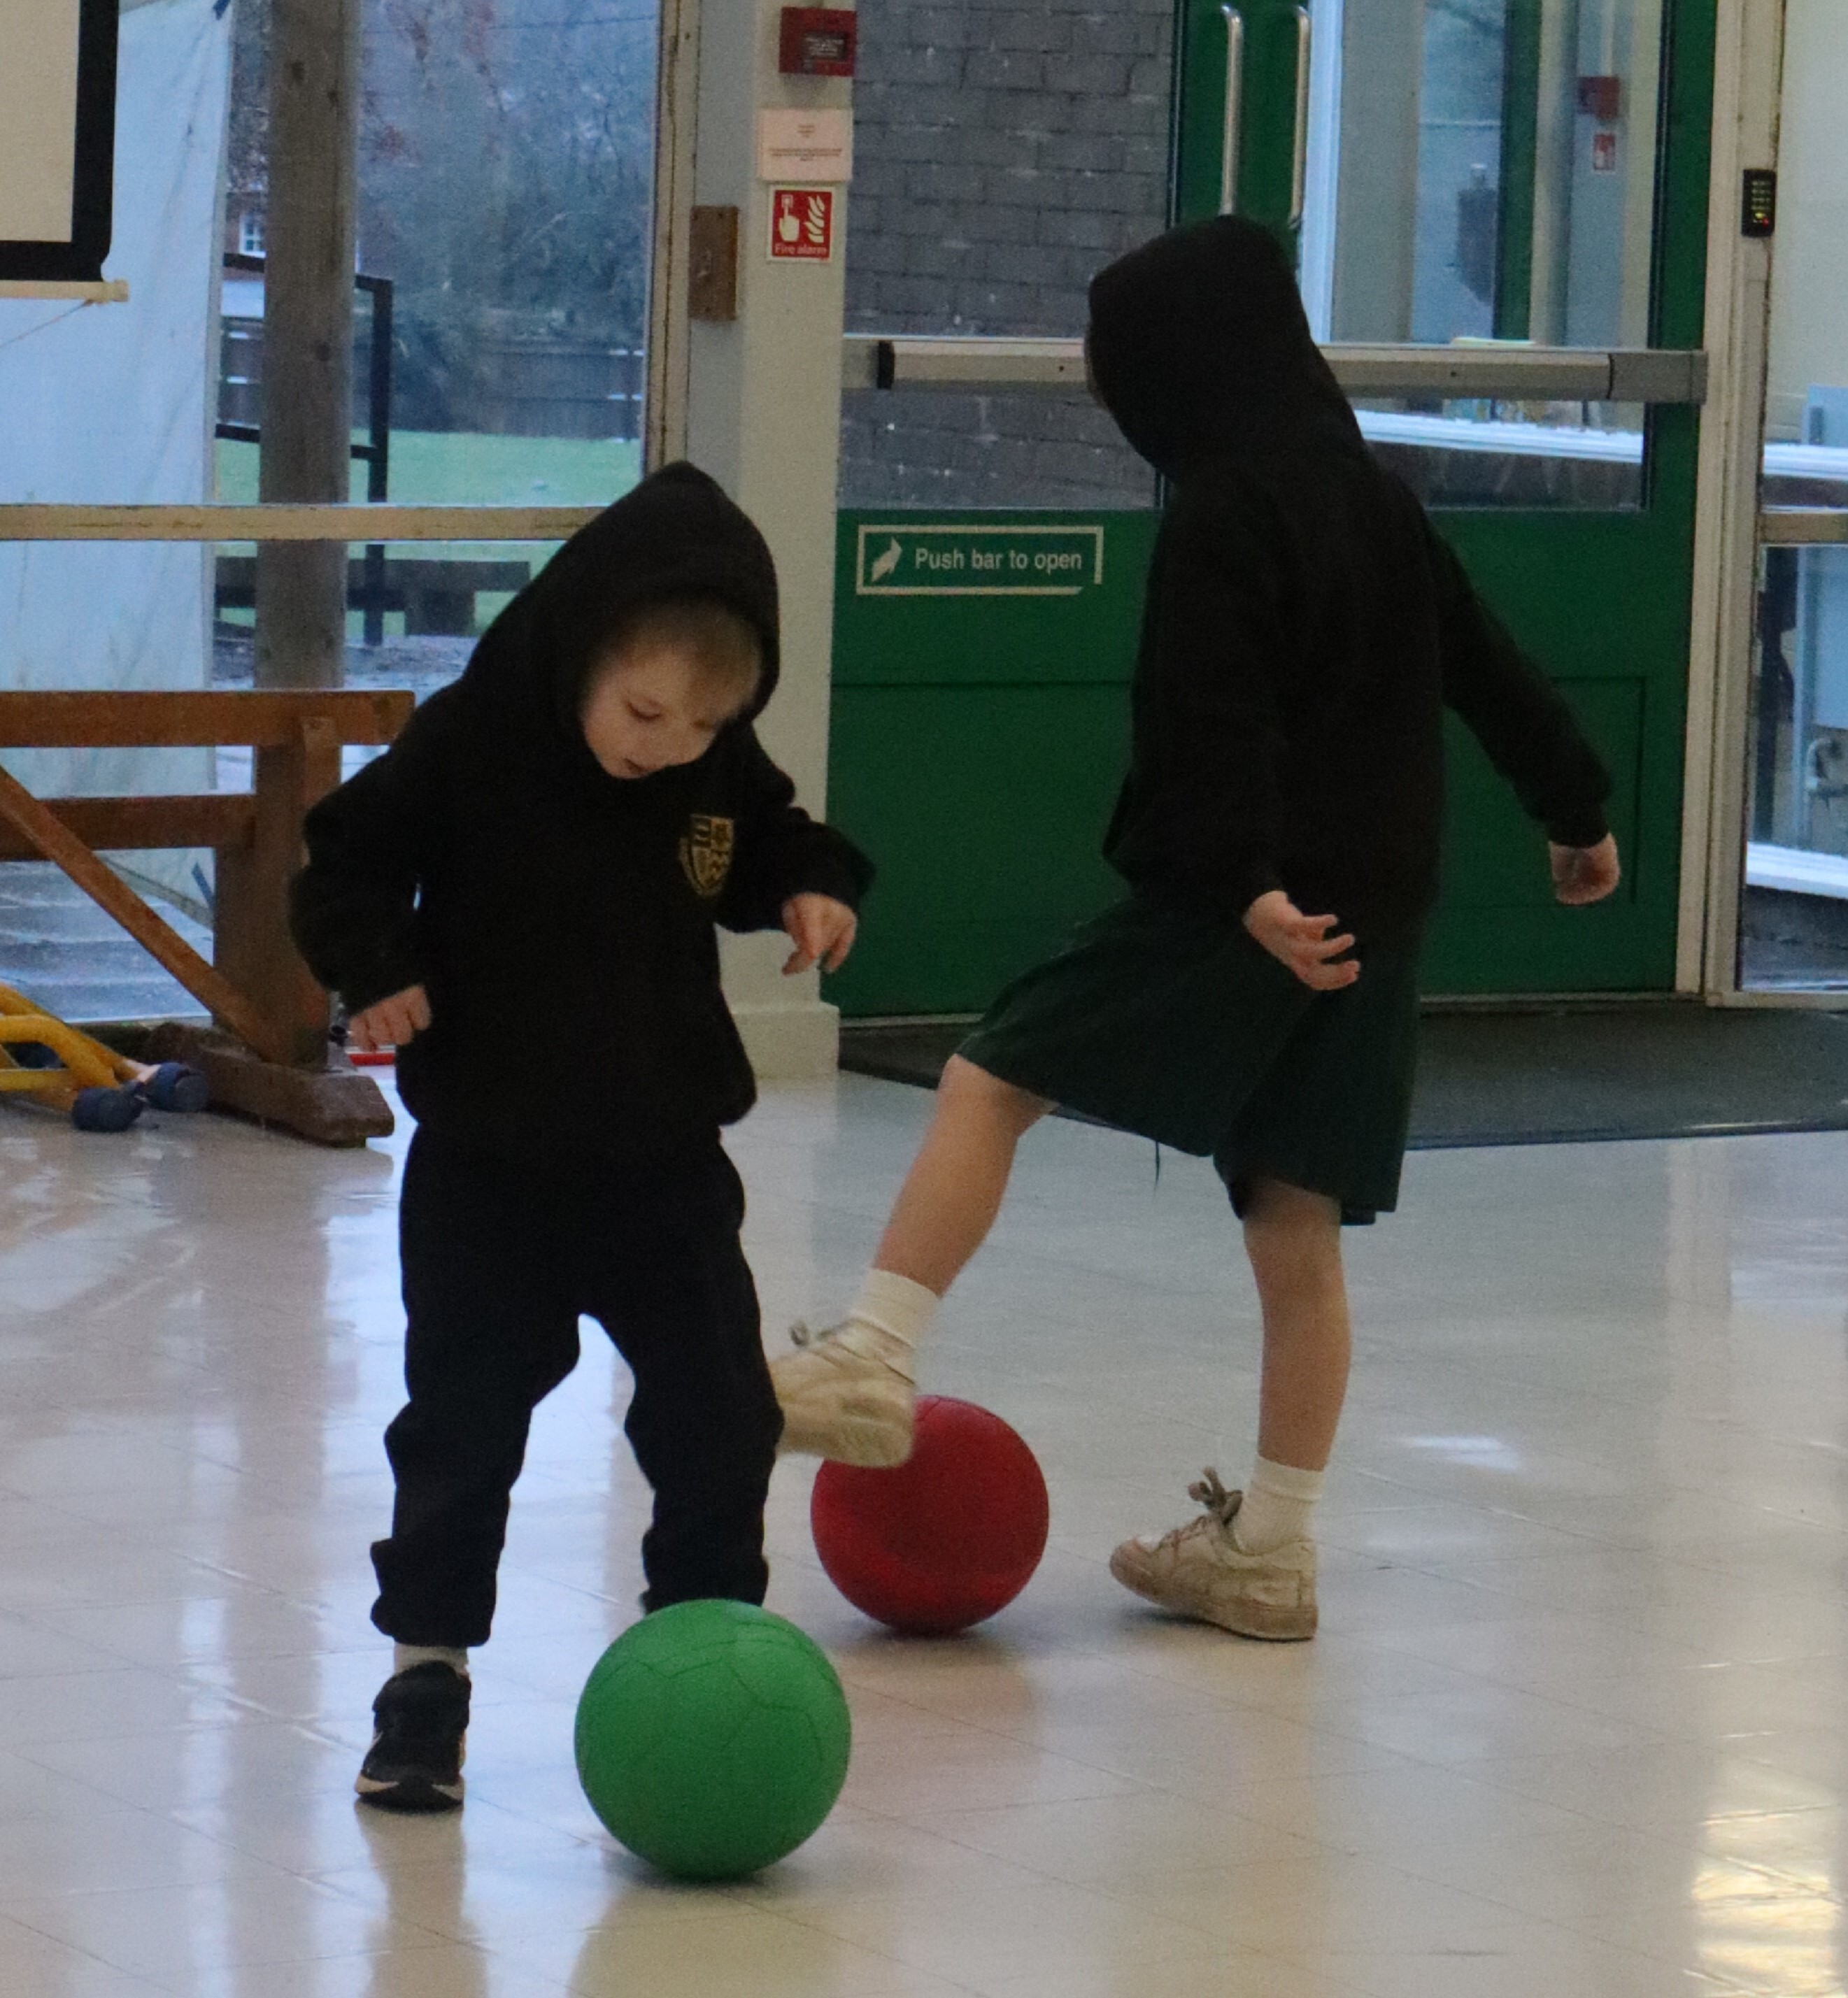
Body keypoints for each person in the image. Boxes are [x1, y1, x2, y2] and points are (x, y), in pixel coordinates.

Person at [771, 217, 1619, 1643]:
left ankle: (873, 1352)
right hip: (1376, 917)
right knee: (1295, 1221)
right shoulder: (1379, 502)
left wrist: (1241, 887)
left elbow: (1205, 722)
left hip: (1254, 905)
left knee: (992, 1074)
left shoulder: (1225, 514)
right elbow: (1492, 672)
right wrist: (1576, 809)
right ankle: (1271, 1550)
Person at [290, 463, 872, 1811]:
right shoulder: (475, 737)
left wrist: (810, 887)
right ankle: (424, 1679)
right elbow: (347, 859)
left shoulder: (707, 762)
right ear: (582, 652)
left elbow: (770, 839)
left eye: (703, 724)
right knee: (464, 1424)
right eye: (643, 711)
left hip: (662, 1162)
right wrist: (377, 966)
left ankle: (706, 1644)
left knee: (721, 1413)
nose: (664, 745)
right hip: (488, 1168)